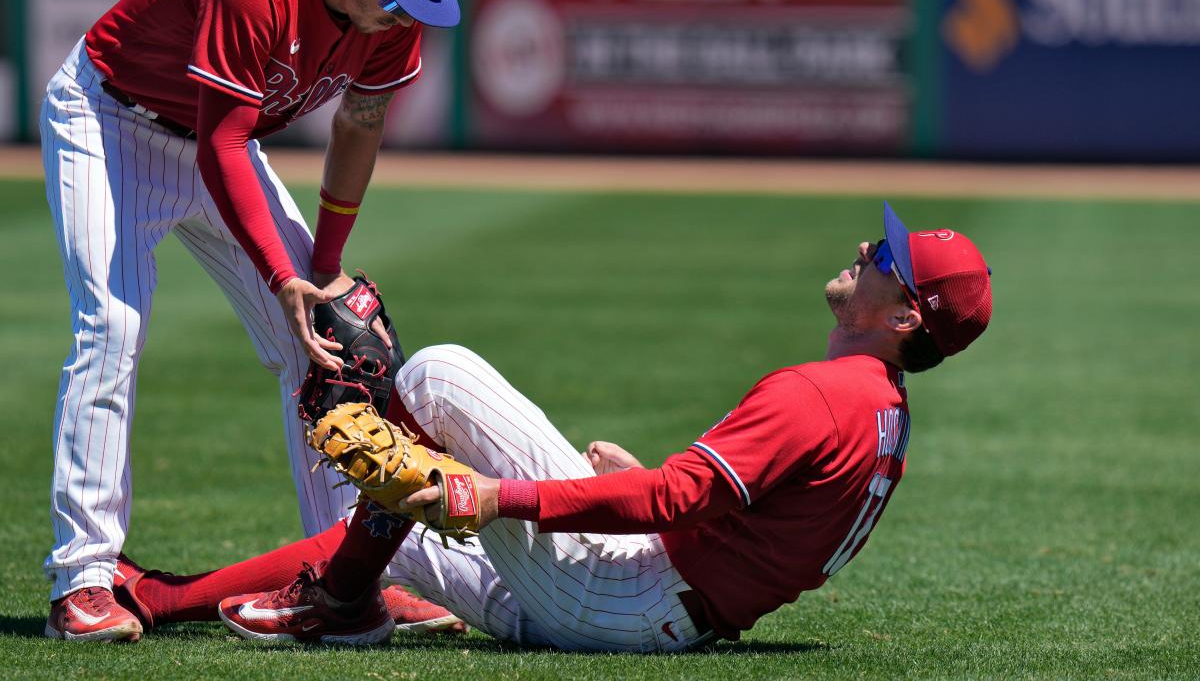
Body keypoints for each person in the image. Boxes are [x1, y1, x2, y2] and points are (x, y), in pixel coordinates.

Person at [108, 202, 993, 650]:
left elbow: (674, 494)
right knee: (384, 536)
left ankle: (339, 599)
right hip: (669, 606)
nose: (869, 252)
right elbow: (763, 528)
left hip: (626, 599)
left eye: (889, 261)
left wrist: (499, 496)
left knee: (435, 375)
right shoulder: (880, 410)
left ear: (904, 317)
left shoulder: (822, 394)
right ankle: (166, 597)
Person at [39, 0, 468, 641]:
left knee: (325, 345)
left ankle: (347, 583)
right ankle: (83, 582)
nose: (404, 13)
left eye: (418, 1)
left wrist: (322, 272)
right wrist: (282, 277)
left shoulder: (389, 14)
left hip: (216, 144)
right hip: (107, 118)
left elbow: (359, 128)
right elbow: (223, 143)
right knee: (112, 329)